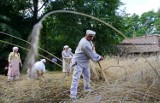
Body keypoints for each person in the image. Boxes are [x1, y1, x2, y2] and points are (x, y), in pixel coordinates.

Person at [70, 30, 104, 99]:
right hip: (78, 62)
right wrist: (99, 57)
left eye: (92, 37)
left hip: (85, 62)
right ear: (86, 35)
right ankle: (73, 95)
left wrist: (94, 51)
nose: (91, 38)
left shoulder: (89, 41)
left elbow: (92, 50)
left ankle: (87, 91)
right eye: (90, 36)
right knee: (76, 78)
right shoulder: (84, 43)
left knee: (87, 77)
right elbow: (91, 54)